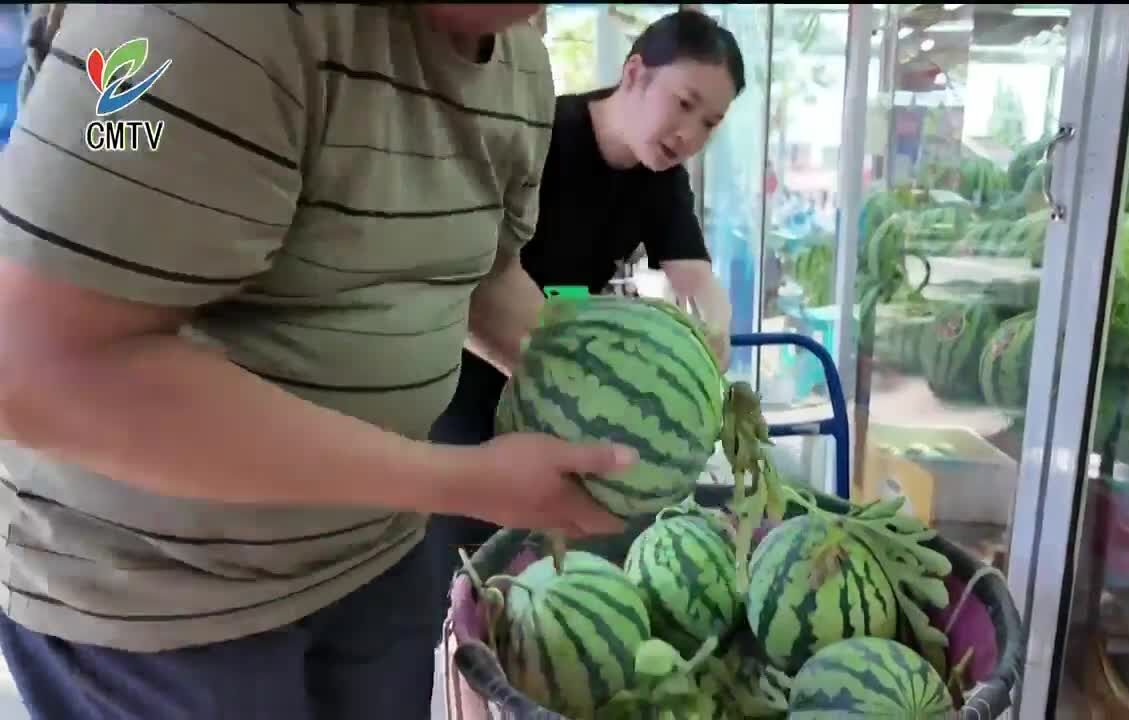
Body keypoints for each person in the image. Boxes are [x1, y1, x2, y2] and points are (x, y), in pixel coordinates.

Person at [0, 4, 634, 719]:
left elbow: (479, 273)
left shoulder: (521, 67)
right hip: (162, 602)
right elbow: (38, 369)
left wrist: (615, 381)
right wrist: (462, 481)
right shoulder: (218, 21)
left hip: (373, 564)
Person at [422, 6, 746, 665]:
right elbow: (469, 275)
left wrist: (709, 339)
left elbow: (695, 277)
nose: (689, 134)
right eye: (683, 104)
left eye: (709, 123)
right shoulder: (540, 131)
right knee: (465, 589)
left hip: (562, 393)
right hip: (470, 382)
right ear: (634, 74)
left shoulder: (659, 180)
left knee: (540, 599)